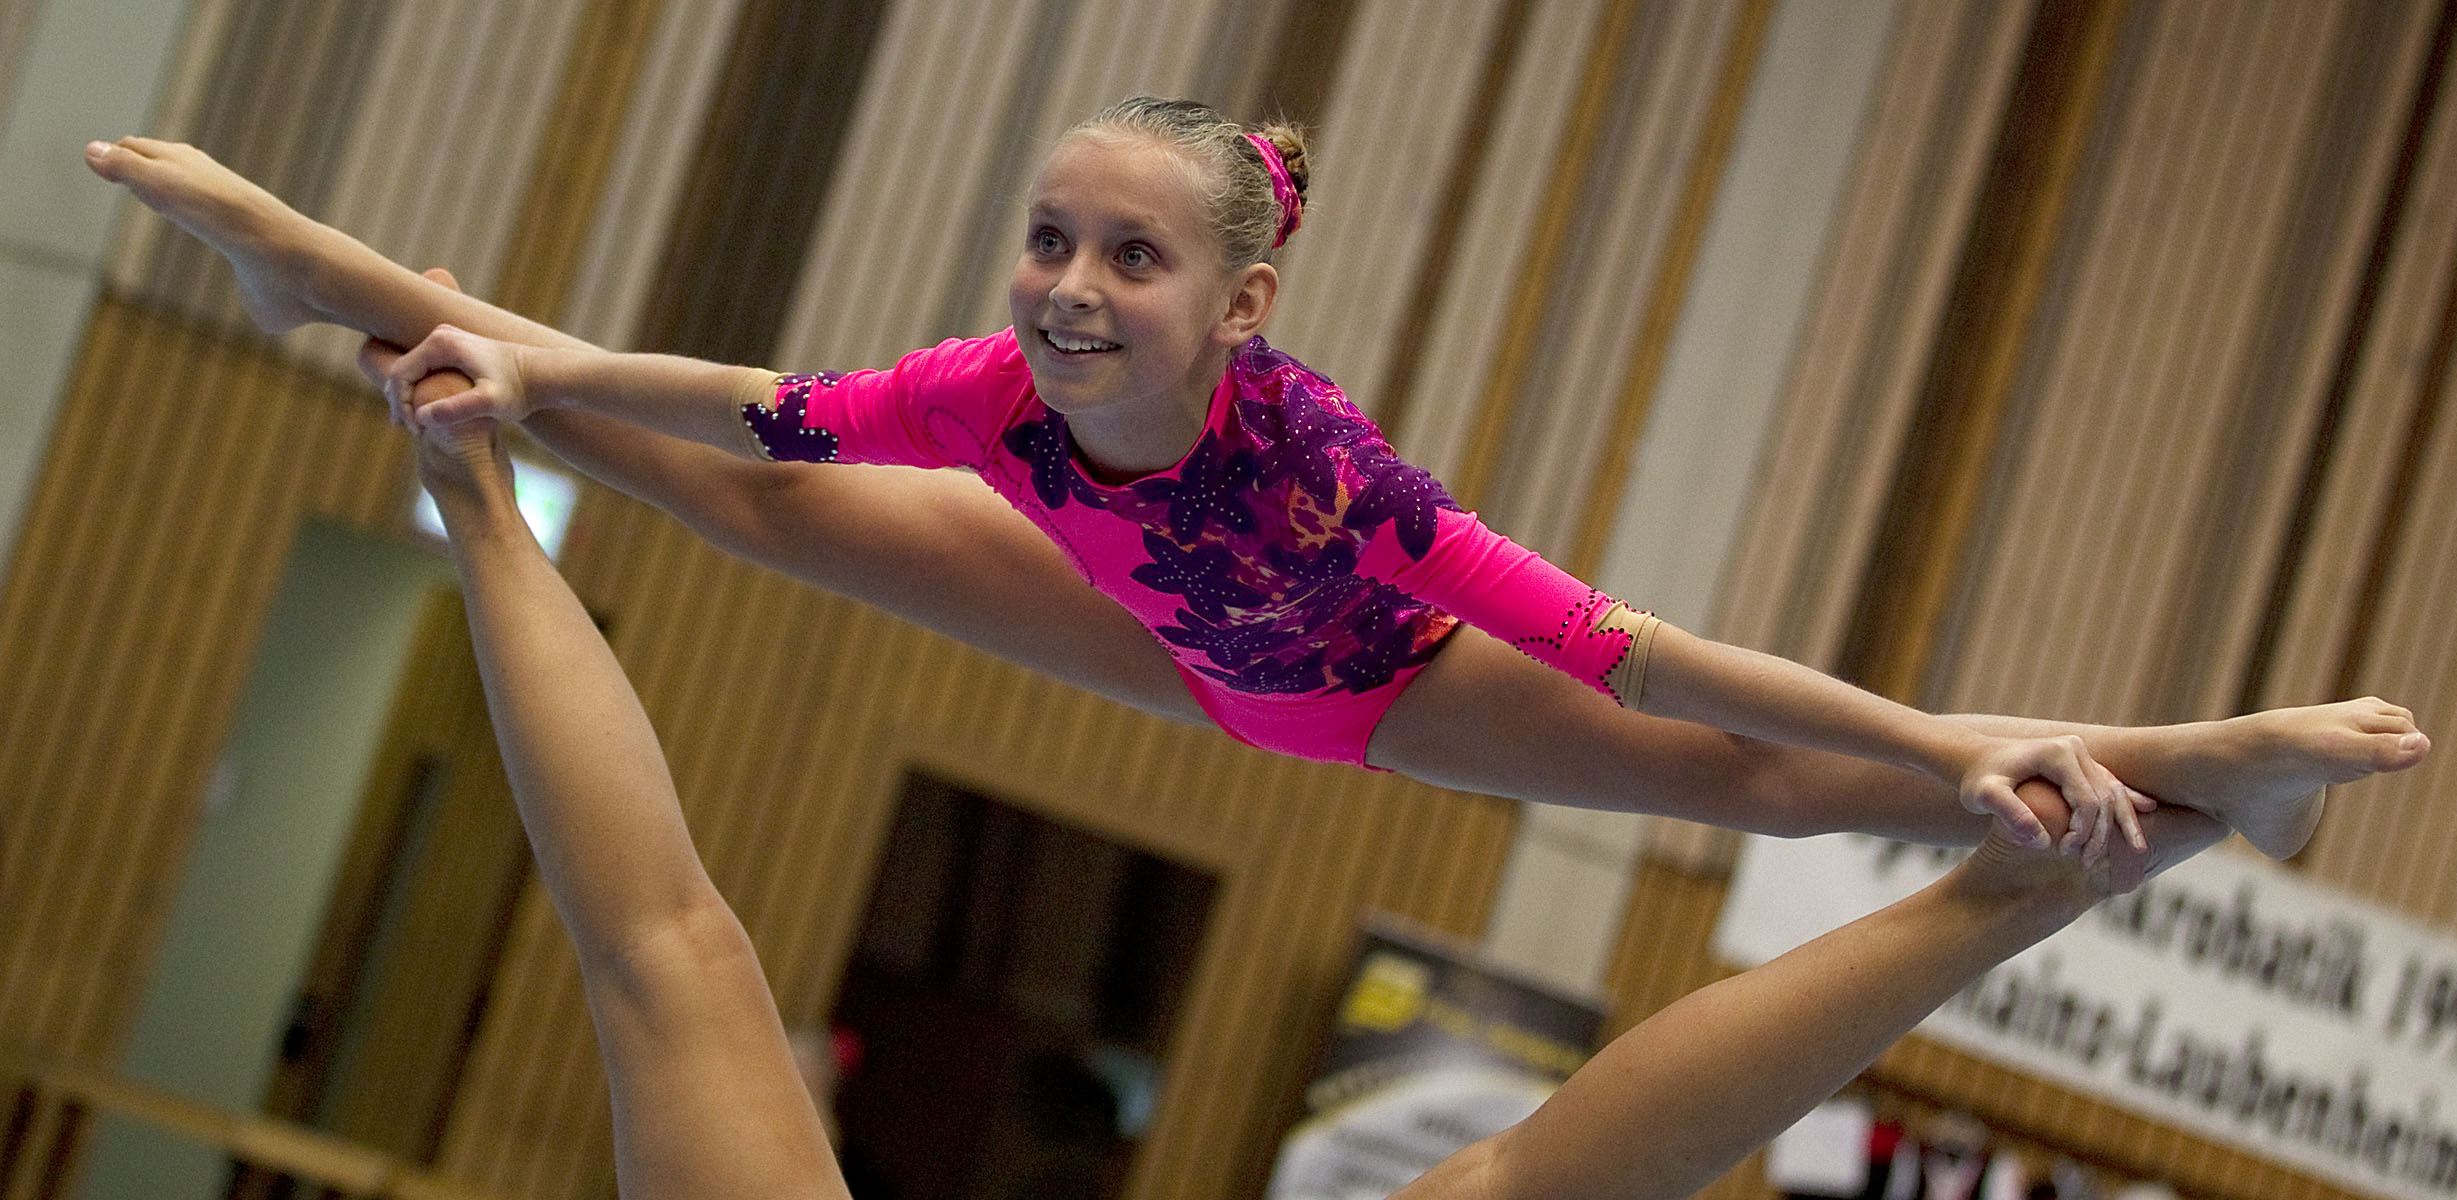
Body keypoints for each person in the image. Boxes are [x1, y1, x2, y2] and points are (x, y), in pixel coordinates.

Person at [84, 97, 2429, 864]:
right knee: (733, 480)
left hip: (1369, 685)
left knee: (1763, 787)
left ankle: (2168, 760)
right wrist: (511, 344)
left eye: (1132, 257)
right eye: (1051, 239)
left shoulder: (1326, 474)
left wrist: (1933, 741)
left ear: (1241, 303)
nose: (1070, 287)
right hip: (1147, 625)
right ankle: (347, 290)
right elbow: (758, 402)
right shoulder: (994, 394)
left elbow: (1635, 648)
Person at [412, 405, 2234, 1200]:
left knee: (670, 965)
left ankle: (2023, 871)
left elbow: (662, 946)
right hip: (1377, 669)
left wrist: (483, 502)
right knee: (1535, 1173)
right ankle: (2020, 877)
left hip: (1388, 667)